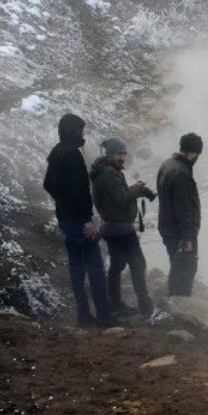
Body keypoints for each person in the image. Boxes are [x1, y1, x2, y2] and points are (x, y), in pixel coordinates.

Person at [43, 113, 116, 327]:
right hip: (78, 220)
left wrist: (61, 202)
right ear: (74, 131)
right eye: (80, 130)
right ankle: (105, 315)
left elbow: (48, 184)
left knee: (76, 267)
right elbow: (80, 190)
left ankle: (83, 315)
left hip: (65, 218)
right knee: (95, 265)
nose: (82, 134)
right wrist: (86, 219)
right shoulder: (72, 155)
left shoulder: (56, 152)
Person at [90, 137, 159, 319]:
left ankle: (115, 304)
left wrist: (134, 189)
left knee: (117, 265)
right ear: (110, 154)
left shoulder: (106, 171)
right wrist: (137, 188)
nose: (122, 157)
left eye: (123, 153)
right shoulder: (108, 174)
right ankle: (146, 307)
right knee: (138, 265)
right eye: (118, 153)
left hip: (111, 227)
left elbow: (116, 196)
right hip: (120, 229)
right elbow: (121, 199)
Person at [156, 132, 203, 296]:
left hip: (167, 226)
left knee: (175, 263)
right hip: (179, 232)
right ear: (193, 152)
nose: (197, 158)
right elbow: (183, 209)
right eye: (197, 154)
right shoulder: (182, 172)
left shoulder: (166, 164)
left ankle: (175, 298)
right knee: (186, 267)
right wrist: (188, 237)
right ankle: (181, 302)